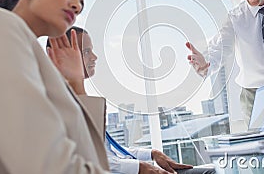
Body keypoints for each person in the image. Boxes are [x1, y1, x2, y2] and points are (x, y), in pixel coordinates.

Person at [0, 0, 110, 174]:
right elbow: (44, 163)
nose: (76, 6)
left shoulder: (31, 57)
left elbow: (83, 148)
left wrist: (75, 82)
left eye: (81, 6)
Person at [48, 26, 216, 174]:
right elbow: (91, 161)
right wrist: (139, 167)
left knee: (214, 171)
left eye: (91, 50)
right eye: (85, 52)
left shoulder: (76, 98)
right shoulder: (53, 104)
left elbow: (108, 152)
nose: (94, 57)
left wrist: (151, 154)